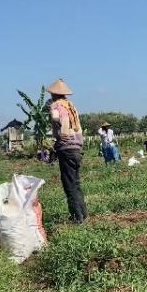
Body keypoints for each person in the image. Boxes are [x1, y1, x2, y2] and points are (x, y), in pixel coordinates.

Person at [47, 78, 88, 223]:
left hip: (66, 148)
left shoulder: (56, 105)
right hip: (77, 148)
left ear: (53, 94)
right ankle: (83, 213)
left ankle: (77, 218)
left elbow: (57, 117)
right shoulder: (71, 106)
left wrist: (56, 123)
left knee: (69, 185)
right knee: (75, 183)